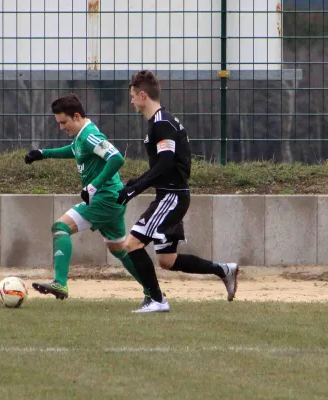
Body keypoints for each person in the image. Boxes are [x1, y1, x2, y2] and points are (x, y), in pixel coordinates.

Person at [116, 70, 239, 313]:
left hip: (171, 196)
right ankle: (224, 270)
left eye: (132, 96)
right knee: (167, 261)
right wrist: (135, 183)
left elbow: (166, 163)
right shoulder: (161, 121)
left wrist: (135, 190)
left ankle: (156, 300)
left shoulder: (161, 123)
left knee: (131, 244)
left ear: (143, 95)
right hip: (172, 195)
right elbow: (163, 164)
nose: (131, 101)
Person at [25, 93, 148, 299]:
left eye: (64, 122)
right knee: (118, 249)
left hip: (105, 198)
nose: (62, 127)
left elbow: (116, 158)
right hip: (112, 198)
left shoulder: (91, 135)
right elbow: (74, 150)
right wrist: (43, 153)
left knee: (60, 227)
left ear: (76, 116)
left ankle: (60, 284)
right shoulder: (81, 137)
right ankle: (153, 291)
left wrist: (93, 186)